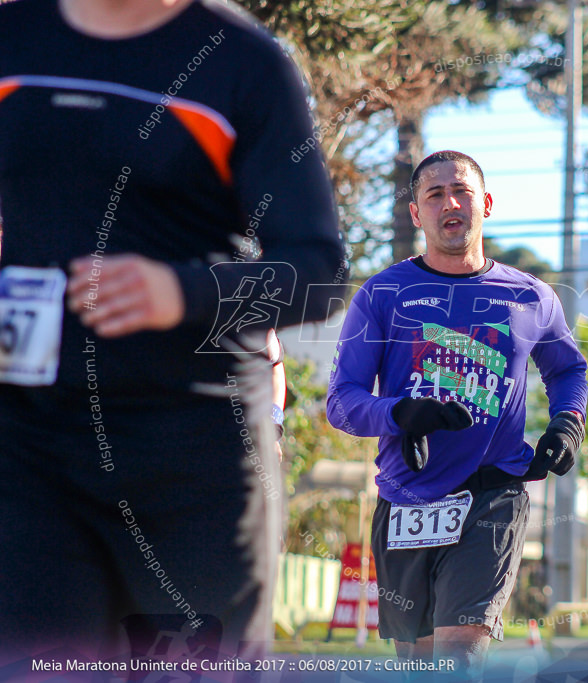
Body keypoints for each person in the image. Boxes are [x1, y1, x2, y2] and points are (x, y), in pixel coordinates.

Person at [0, 0, 346, 665]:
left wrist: (179, 291)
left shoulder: (244, 63)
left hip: (193, 464)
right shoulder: (15, 38)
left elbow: (318, 272)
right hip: (30, 447)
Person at [327, 150, 587, 678]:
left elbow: (568, 371)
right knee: (420, 665)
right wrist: (401, 412)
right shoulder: (383, 295)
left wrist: (567, 422)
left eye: (462, 191)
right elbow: (342, 402)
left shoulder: (530, 296)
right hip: (407, 498)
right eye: (435, 194)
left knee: (458, 653)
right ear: (416, 213)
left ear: (485, 204)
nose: (451, 203)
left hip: (492, 492)